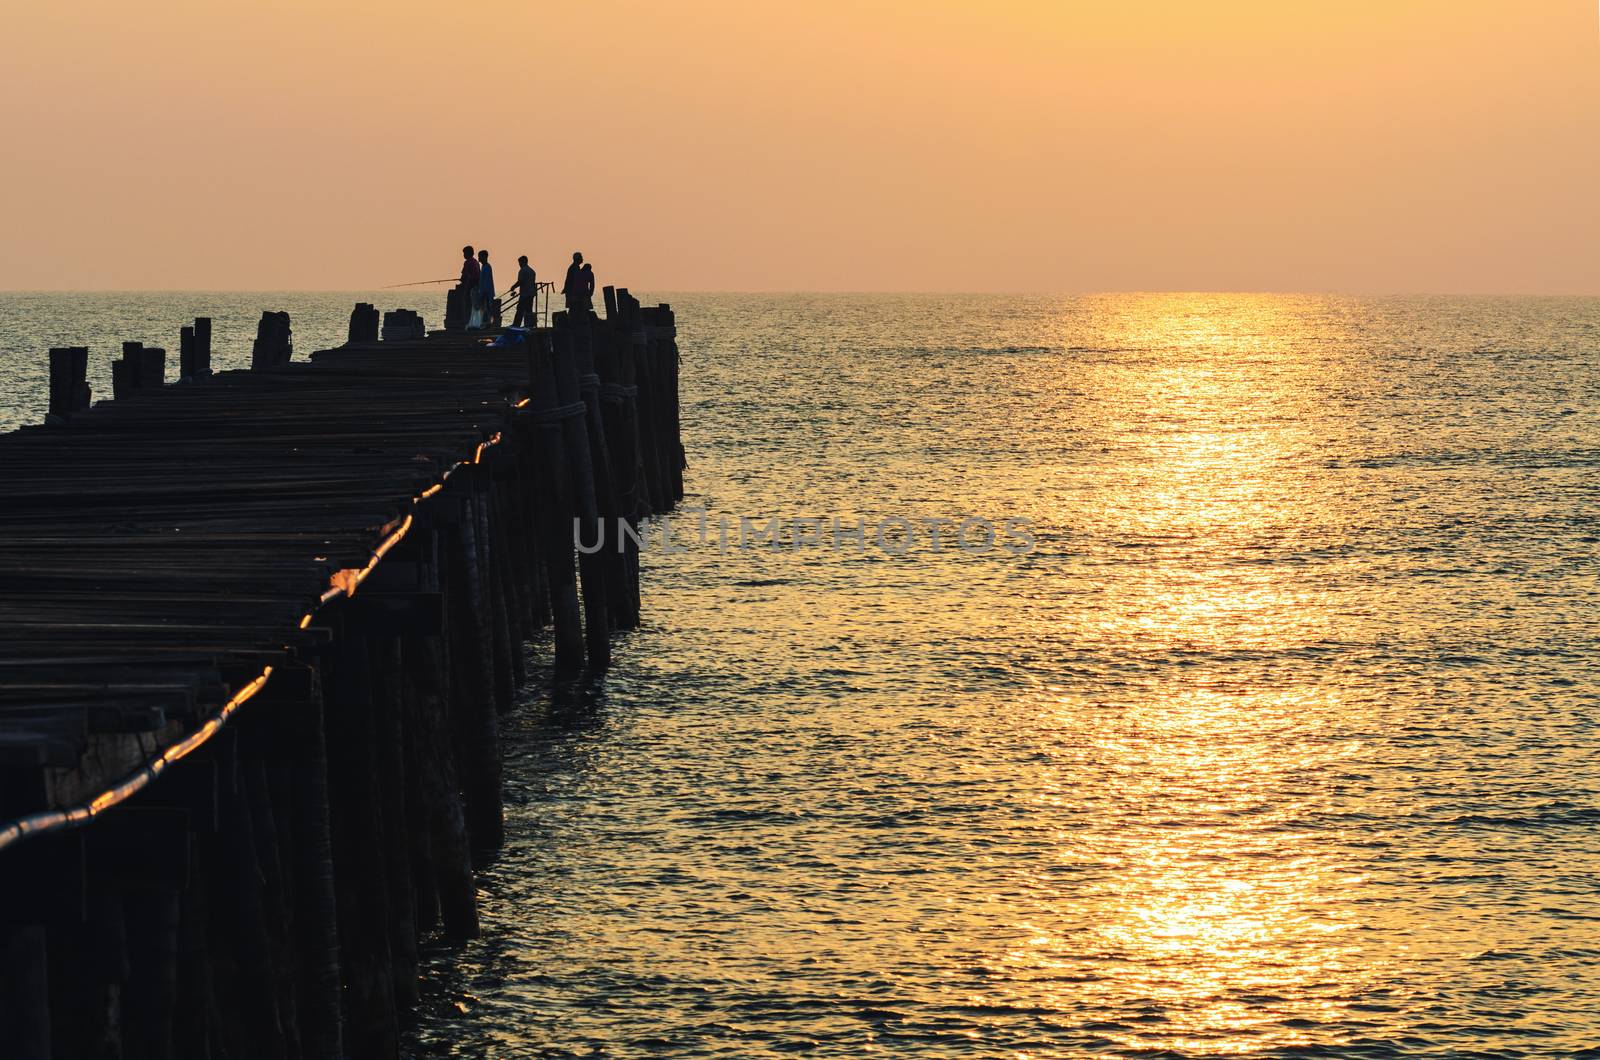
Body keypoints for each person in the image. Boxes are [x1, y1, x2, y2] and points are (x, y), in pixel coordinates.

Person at [509, 254, 538, 329]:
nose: (519, 264)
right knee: (529, 310)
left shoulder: (522, 271)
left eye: (520, 263)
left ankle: (516, 325)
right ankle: (529, 325)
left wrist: (513, 287)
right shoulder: (532, 271)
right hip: (531, 293)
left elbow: (520, 281)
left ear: (523, 262)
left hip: (524, 293)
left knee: (520, 309)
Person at [460, 245, 482, 329]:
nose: (463, 255)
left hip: (470, 287)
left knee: (468, 305)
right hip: (477, 287)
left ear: (468, 253)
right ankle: (475, 323)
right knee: (475, 306)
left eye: (464, 253)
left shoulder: (468, 262)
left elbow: (463, 276)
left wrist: (463, 281)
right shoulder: (476, 262)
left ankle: (468, 323)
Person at [478, 249, 498, 328]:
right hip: (484, 291)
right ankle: (487, 323)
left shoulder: (487, 267)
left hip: (487, 292)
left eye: (480, 257)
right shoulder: (484, 266)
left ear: (484, 257)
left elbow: (487, 281)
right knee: (485, 309)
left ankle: (489, 323)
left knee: (487, 308)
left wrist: (484, 292)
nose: (479, 258)